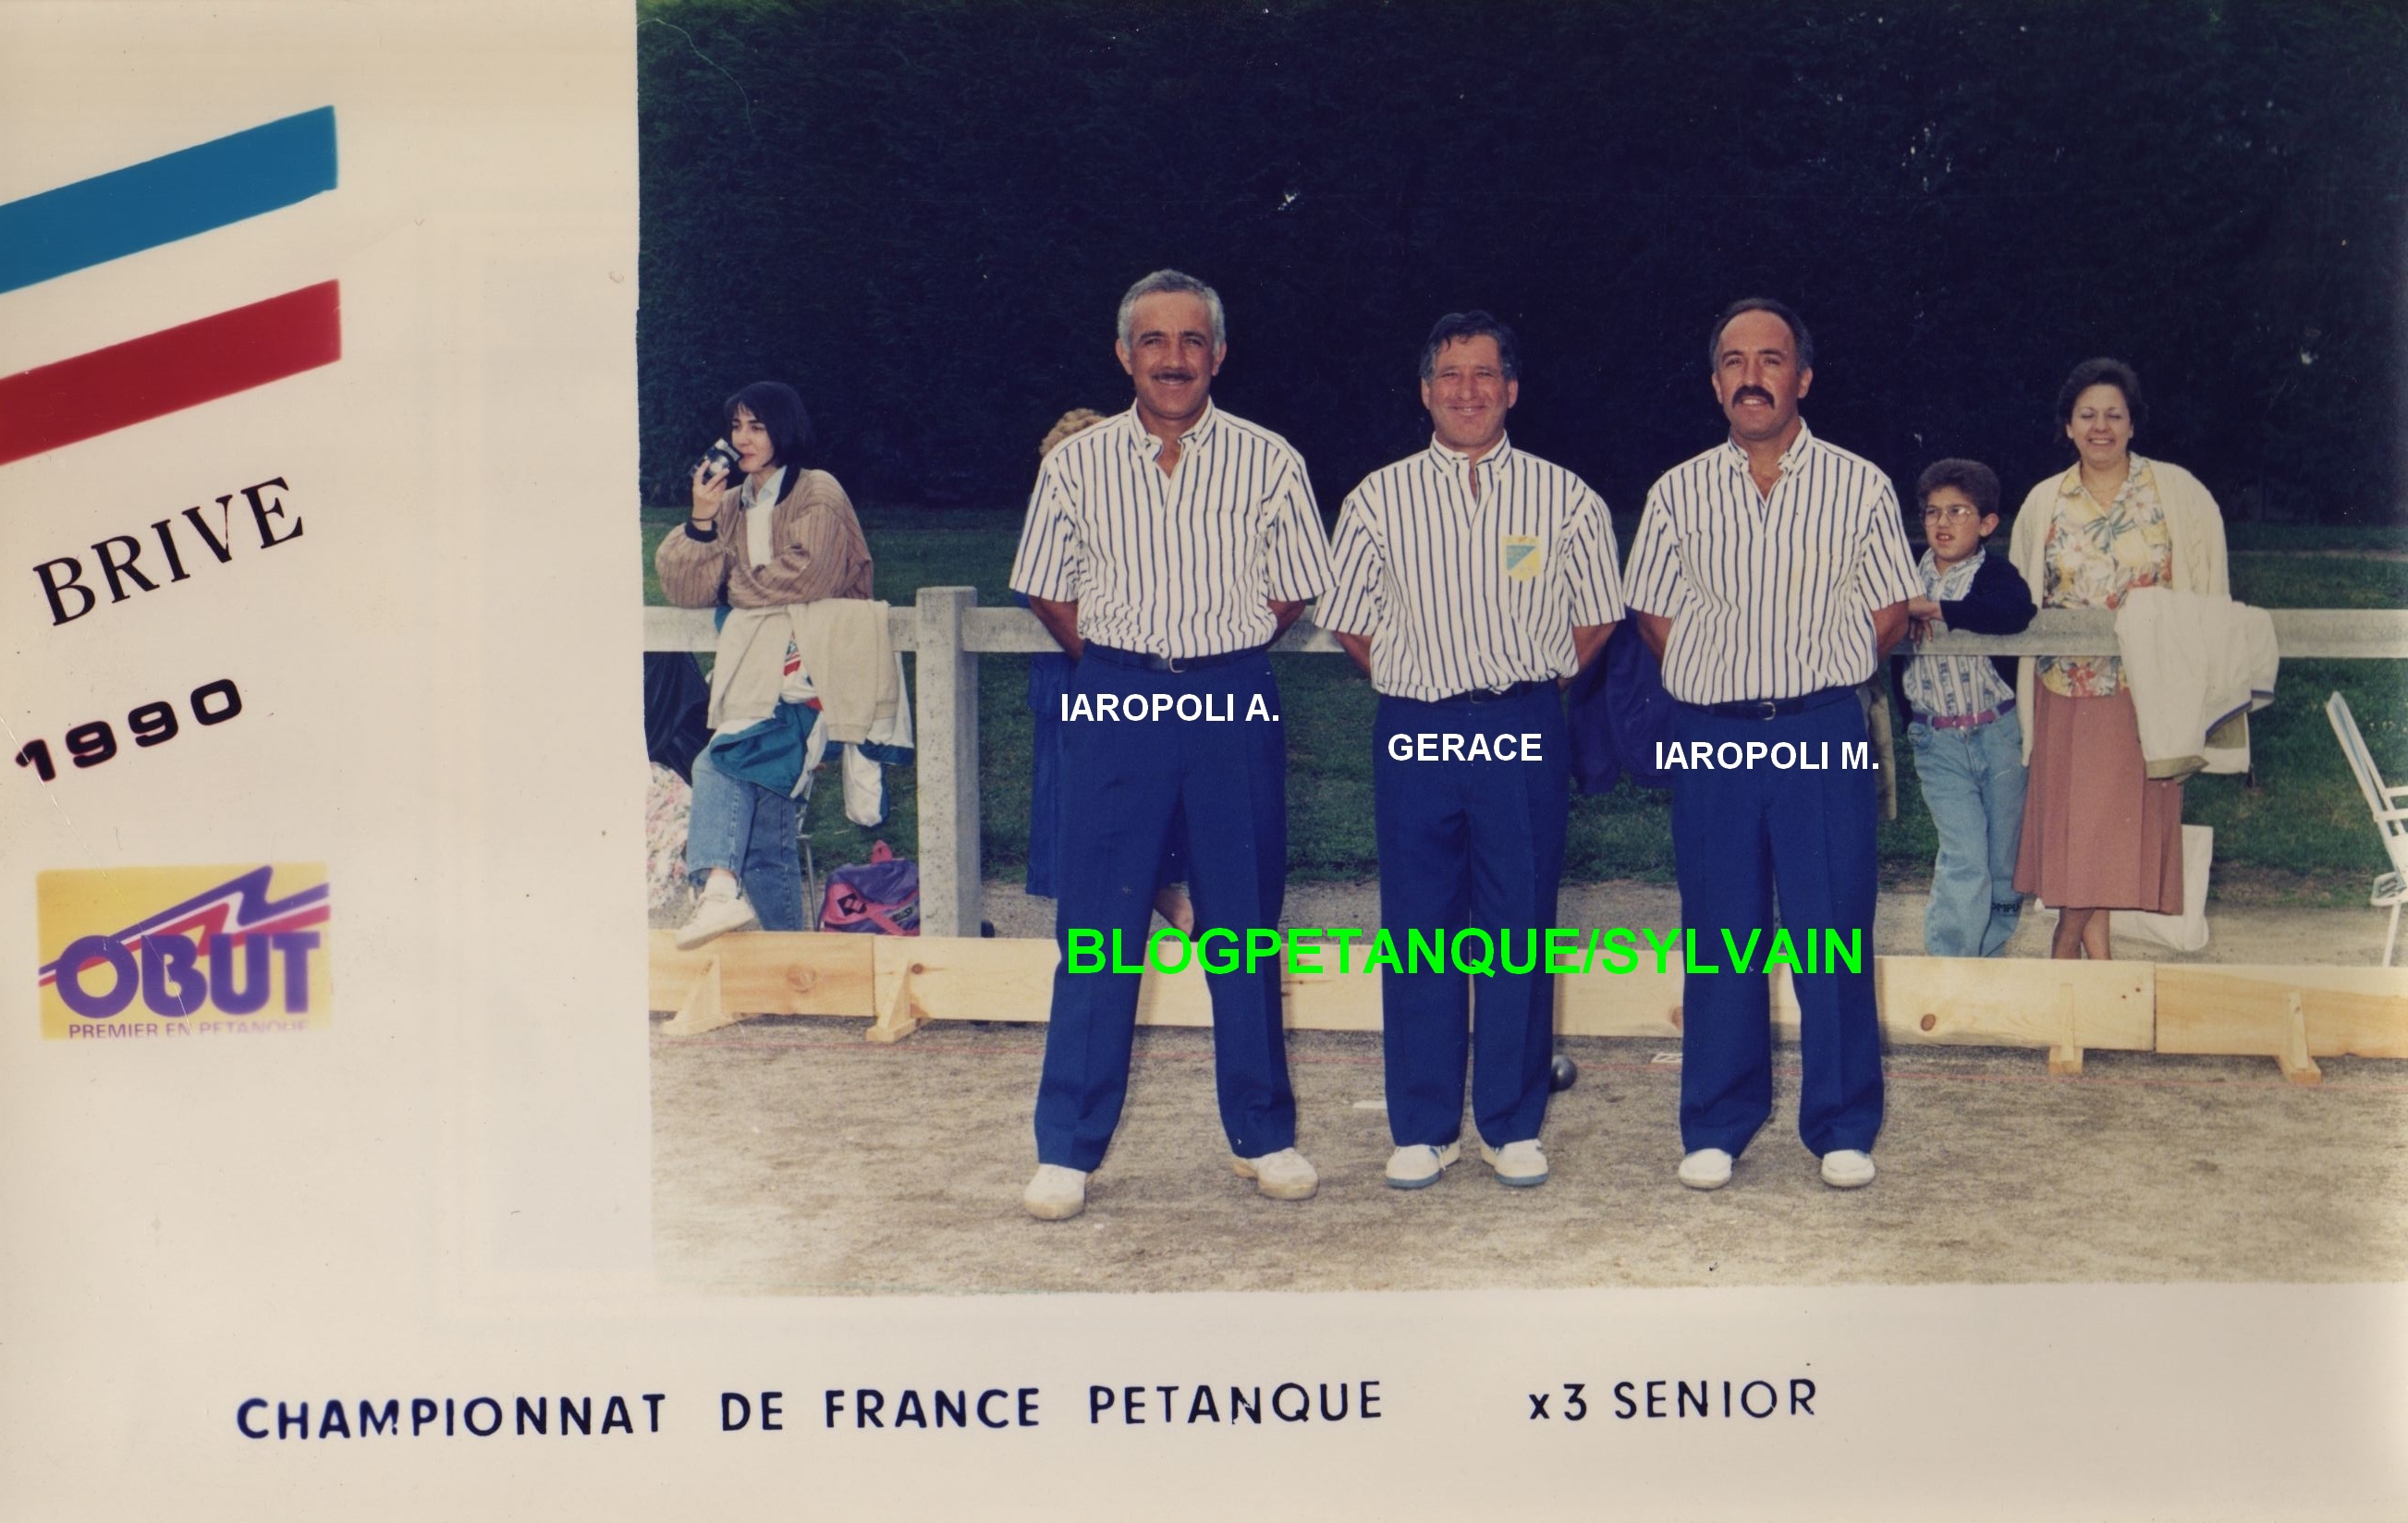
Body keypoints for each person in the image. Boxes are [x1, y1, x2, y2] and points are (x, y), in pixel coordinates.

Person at [1008, 269, 1335, 1221]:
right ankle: (1067, 1148)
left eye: (1192, 341)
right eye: (1154, 341)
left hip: (1231, 692)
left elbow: (1292, 589)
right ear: (1124, 356)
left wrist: (1208, 654)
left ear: (1218, 355)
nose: (1174, 359)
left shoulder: (1270, 458)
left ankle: (1263, 1135)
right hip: (1113, 691)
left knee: (1241, 920)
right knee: (1098, 928)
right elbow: (1045, 585)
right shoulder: (1076, 464)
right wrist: (1130, 662)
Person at [1621, 298, 1920, 1191]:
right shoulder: (1676, 491)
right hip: (1712, 735)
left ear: (1801, 377)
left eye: (1771, 359)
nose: (1752, 376)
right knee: (1721, 932)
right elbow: (1653, 613)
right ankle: (1717, 1121)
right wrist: (1730, 680)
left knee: (1832, 930)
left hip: (1820, 726)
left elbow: (1890, 612)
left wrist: (1804, 680)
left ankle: (1839, 1124)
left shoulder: (1859, 484)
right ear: (1716, 382)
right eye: (1734, 361)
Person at [1320, 311, 1622, 1191]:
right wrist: (1430, 681)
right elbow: (1350, 618)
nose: (1466, 390)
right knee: (1419, 927)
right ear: (1425, 391)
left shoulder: (1564, 497)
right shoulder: (1379, 496)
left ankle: (1510, 1122)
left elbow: (1596, 615)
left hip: (1523, 723)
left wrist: (1516, 683)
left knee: (1516, 924)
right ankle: (1421, 1125)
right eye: (1449, 375)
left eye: (1483, 374)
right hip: (1416, 725)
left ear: (1511, 389)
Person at [2010, 359, 2229, 960]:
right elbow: (2020, 595)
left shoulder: (2175, 493)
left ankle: (2065, 944)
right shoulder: (2042, 501)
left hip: (2145, 693)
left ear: (2133, 424)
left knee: (2103, 829)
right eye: (2087, 415)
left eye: (2113, 414)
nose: (2099, 426)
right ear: (2067, 427)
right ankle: (2095, 959)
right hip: (2061, 689)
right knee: (2081, 829)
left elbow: (2208, 585)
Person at [655, 381, 873, 947]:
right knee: (766, 837)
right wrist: (702, 519)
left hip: (808, 677)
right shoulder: (733, 503)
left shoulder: (817, 492)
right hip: (752, 672)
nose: (742, 438)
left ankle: (718, 893)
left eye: (757, 426)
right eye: (735, 427)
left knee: (716, 765)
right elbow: (686, 587)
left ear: (784, 430)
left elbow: (806, 578)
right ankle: (793, 963)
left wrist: (731, 587)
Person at [1021, 408, 1193, 934]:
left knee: (1125, 813)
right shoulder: (1048, 520)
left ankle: (1169, 914)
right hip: (1065, 689)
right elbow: (1039, 588)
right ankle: (1103, 936)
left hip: (1115, 682)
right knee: (1075, 815)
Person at [1891, 458, 2037, 957]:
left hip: (1998, 735)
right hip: (1938, 741)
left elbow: (2015, 611)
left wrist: (1940, 610)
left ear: (1987, 523)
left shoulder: (1994, 574)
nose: (1943, 523)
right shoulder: (1903, 573)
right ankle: (1948, 968)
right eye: (1932, 512)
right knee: (1964, 855)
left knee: (2002, 862)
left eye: (1958, 512)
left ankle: (1989, 958)